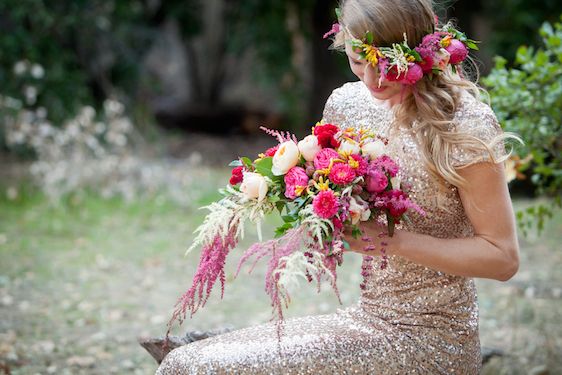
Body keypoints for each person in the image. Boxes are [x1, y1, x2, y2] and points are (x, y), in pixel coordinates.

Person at [156, 0, 520, 373]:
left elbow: (503, 257)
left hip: (433, 337)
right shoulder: (346, 105)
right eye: (359, 61)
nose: (373, 80)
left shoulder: (464, 125)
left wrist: (392, 241)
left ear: (420, 54)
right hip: (365, 319)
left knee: (199, 368)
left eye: (387, 65)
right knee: (184, 362)